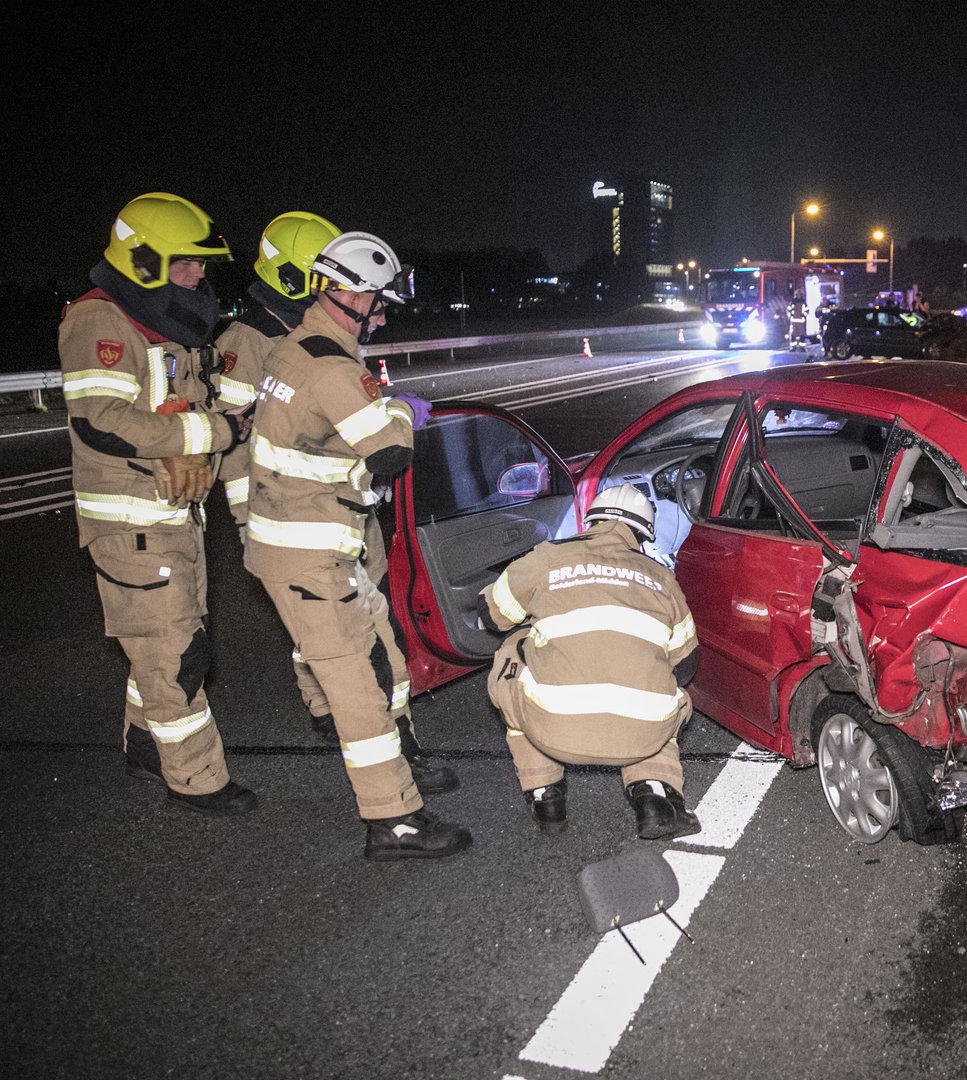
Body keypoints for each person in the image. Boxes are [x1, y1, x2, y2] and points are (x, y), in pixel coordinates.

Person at [243, 230, 469, 861]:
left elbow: (326, 436)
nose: (384, 316)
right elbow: (390, 451)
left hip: (313, 547)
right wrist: (401, 411)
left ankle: (403, 764)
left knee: (382, 660)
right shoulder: (330, 366)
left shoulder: (294, 348)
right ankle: (392, 820)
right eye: (380, 304)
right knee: (359, 691)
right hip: (309, 554)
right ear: (352, 295)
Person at [59, 192, 256, 815]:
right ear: (142, 260)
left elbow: (180, 403)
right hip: (131, 523)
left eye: (201, 262)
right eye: (184, 261)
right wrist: (213, 431)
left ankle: (146, 747)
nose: (198, 273)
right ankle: (196, 779)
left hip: (174, 517)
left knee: (164, 647)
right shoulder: (99, 320)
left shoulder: (162, 323)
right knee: (176, 658)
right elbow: (101, 421)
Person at [482, 485, 700, 840]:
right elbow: (686, 663)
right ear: (643, 535)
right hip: (644, 734)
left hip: (554, 729)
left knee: (510, 654)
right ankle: (655, 796)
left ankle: (545, 794)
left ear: (590, 522)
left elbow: (492, 614)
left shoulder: (547, 558)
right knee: (665, 687)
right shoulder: (663, 578)